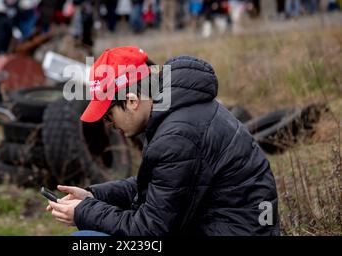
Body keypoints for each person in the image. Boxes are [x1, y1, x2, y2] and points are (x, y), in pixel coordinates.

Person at [47, 46, 280, 236]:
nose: (109, 125)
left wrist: (85, 212)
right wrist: (94, 196)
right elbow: (157, 187)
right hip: (227, 226)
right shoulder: (176, 113)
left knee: (87, 240)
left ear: (131, 101)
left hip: (235, 231)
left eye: (108, 115)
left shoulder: (178, 136)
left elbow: (150, 230)